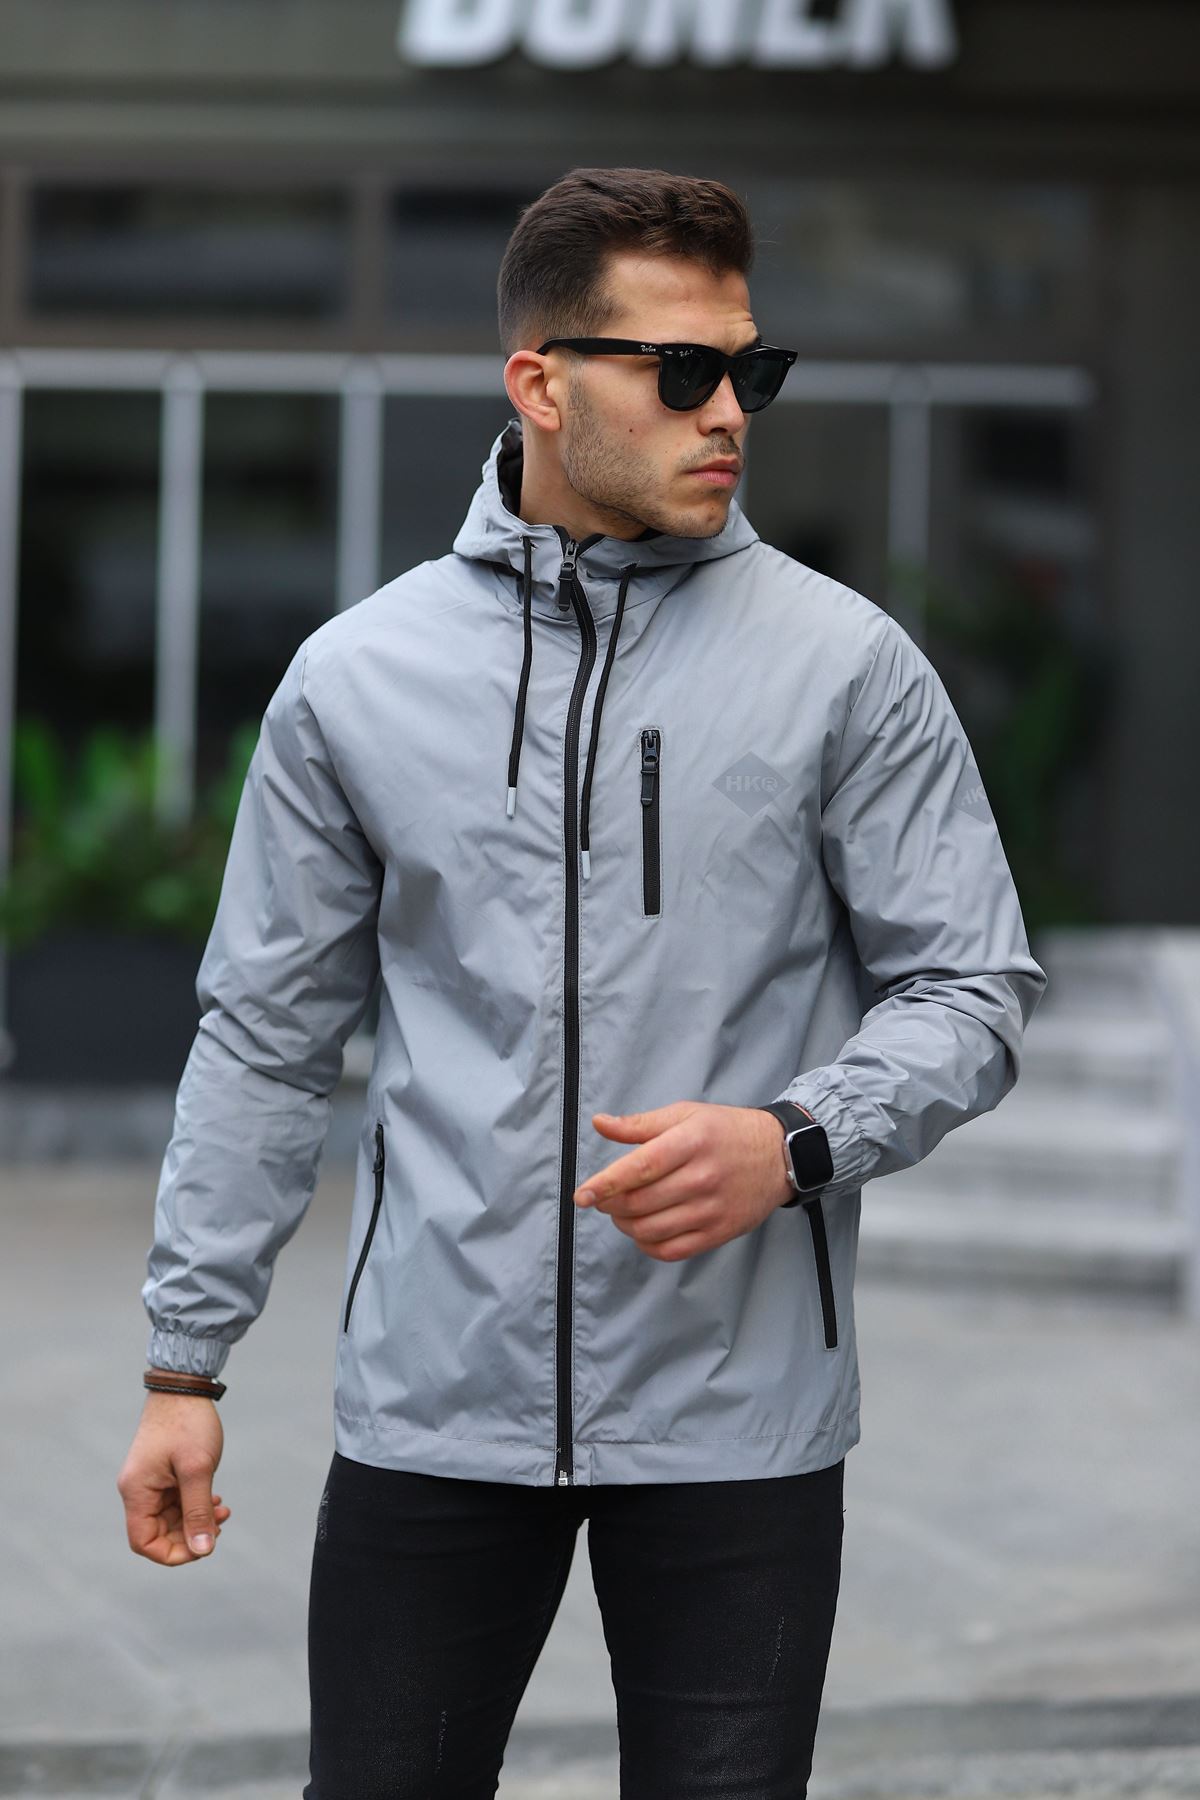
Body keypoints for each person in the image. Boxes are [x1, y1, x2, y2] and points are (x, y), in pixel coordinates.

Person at [117, 166, 1046, 1798]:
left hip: (741, 1415)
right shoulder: (357, 679)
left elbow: (970, 986)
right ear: (540, 385)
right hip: (434, 1406)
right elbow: (265, 1037)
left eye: (749, 370)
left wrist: (795, 1140)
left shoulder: (846, 667)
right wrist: (184, 1367)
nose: (728, 414)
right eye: (680, 371)